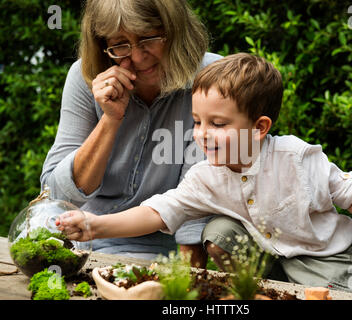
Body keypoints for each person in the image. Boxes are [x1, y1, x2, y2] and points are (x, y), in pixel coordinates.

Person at [57, 53, 352, 292]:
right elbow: (157, 211)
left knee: (322, 296)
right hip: (266, 257)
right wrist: (95, 224)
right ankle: (251, 290)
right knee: (219, 231)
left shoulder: (296, 158)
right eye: (197, 121)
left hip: (319, 254)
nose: (201, 133)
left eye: (218, 123)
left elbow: (351, 193)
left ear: (259, 127)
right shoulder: (205, 175)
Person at [40, 0, 221, 263]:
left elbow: (196, 204)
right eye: (119, 44)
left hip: (168, 252)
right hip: (84, 245)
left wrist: (182, 286)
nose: (136, 57)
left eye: (148, 38)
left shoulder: (214, 79)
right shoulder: (85, 77)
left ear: (175, 30)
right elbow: (55, 196)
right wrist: (110, 120)